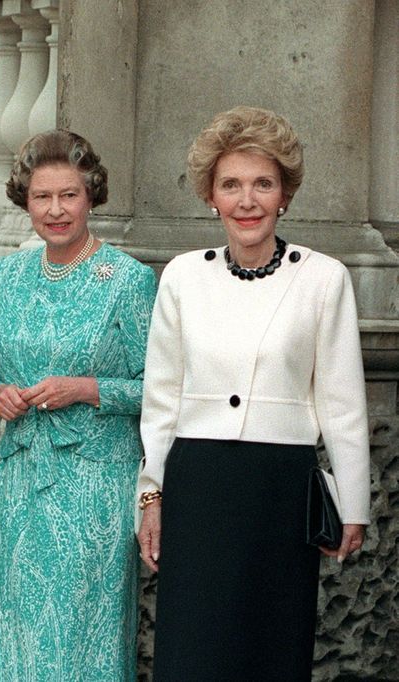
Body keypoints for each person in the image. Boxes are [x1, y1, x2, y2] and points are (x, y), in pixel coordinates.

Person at [137, 106, 370, 681]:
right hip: (199, 487)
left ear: (284, 193)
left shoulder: (323, 277)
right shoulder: (183, 276)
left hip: (281, 491)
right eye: (231, 185)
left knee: (272, 651)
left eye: (262, 184)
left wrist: (354, 505)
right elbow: (161, 399)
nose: (247, 200)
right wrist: (151, 495)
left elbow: (342, 402)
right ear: (210, 196)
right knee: (194, 651)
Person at [0, 129, 157, 681]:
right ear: (24, 201)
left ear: (91, 195)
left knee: (81, 629)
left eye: (68, 195)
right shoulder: (7, 275)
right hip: (23, 475)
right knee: (17, 619)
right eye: (41, 197)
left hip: (95, 483)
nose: (55, 210)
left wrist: (85, 388)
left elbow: (161, 389)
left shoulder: (128, 280)